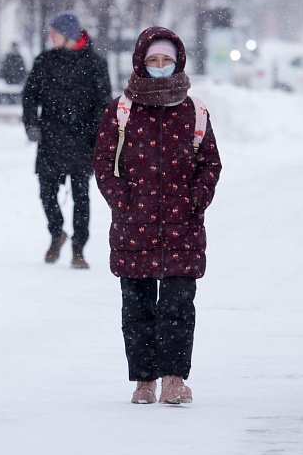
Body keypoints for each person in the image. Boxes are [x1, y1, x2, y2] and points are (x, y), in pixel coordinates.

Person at [93, 27, 222, 404]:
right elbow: (103, 163)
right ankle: (144, 381)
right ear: (141, 63)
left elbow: (210, 162)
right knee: (138, 307)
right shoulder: (121, 111)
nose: (160, 66)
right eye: (154, 60)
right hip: (134, 227)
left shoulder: (194, 111)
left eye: (166, 60)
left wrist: (197, 199)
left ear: (178, 61)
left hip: (183, 227)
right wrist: (123, 200)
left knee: (179, 307)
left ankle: (174, 379)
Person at [22, 11, 112, 269]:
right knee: (46, 192)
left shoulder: (95, 63)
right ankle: (57, 232)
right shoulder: (44, 61)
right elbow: (29, 96)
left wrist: (98, 136)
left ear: (70, 35)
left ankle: (78, 249)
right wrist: (31, 124)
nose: (51, 36)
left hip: (83, 141)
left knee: (81, 196)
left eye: (55, 32)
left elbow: (103, 103)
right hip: (50, 139)